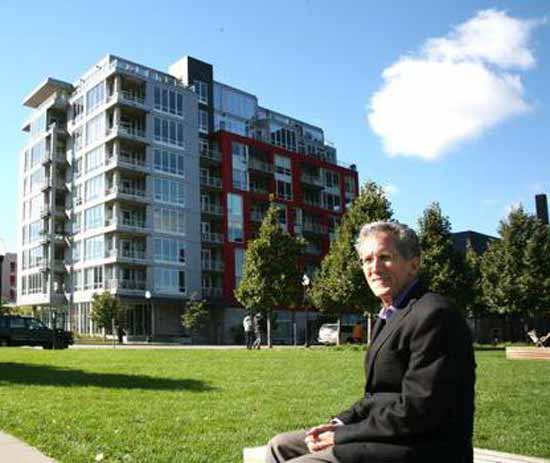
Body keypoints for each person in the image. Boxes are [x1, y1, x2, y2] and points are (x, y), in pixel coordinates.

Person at [266, 221, 476, 463]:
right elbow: (375, 397)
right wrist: (339, 423)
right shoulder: (389, 315)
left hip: (425, 448)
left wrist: (340, 436)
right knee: (280, 446)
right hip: (389, 437)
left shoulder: (435, 315)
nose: (374, 268)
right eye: (367, 260)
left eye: (385, 257)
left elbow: (419, 410)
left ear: (414, 264)